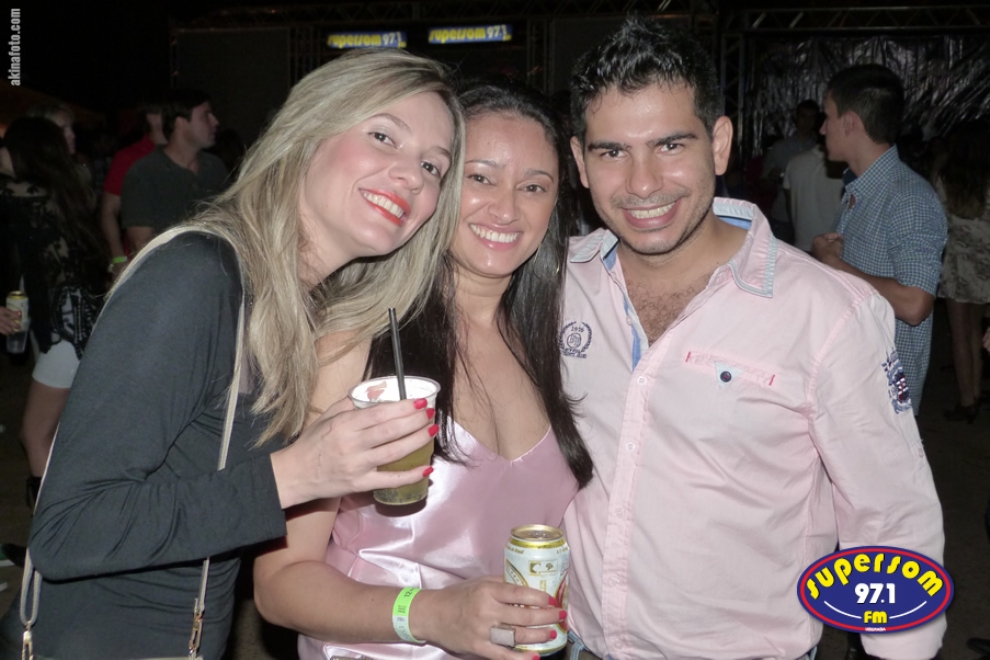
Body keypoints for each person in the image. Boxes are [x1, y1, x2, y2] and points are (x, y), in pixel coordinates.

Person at [0, 49, 464, 660]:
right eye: (384, 136)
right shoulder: (196, 277)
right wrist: (299, 473)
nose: (412, 177)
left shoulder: (297, 306)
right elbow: (66, 529)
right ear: (308, 133)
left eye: (433, 166)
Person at [561, 16, 944, 660]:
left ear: (719, 145)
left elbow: (891, 515)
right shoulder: (556, 286)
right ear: (579, 162)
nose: (642, 183)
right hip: (579, 642)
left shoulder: (828, 313)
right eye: (612, 152)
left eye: (670, 145)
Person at [253, 79, 590, 660]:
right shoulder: (353, 343)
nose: (506, 208)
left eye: (534, 187)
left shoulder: (558, 343)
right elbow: (280, 583)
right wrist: (430, 613)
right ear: (438, 187)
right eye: (480, 178)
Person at [813, 64, 947, 413]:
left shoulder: (908, 198)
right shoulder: (860, 189)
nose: (822, 128)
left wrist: (834, 265)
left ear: (850, 122)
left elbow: (914, 303)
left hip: (880, 401)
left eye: (827, 116)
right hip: (853, 382)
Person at [0, 117, 108, 511]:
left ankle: (52, 534)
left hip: (66, 330)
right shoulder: (66, 193)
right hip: (87, 321)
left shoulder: (19, 195)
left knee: (35, 434)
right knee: (67, 434)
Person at [932, 119, 990, 423]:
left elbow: (938, 220)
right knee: (975, 330)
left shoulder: (947, 178)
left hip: (956, 263)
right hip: (985, 263)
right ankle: (975, 392)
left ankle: (967, 400)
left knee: (959, 334)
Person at [120, 88, 228, 251]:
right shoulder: (144, 173)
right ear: (180, 122)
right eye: (205, 116)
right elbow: (142, 243)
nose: (215, 122)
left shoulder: (214, 167)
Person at [100, 98, 167, 277]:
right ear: (152, 117)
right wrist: (118, 259)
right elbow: (108, 211)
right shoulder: (129, 157)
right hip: (141, 262)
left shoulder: (187, 156)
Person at [760, 99, 820, 243]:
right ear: (796, 118)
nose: (806, 122)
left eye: (811, 118)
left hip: (811, 218)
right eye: (803, 117)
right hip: (783, 217)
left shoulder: (821, 149)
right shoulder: (779, 148)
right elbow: (762, 187)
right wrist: (771, 177)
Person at [782, 130, 845, 252]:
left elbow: (789, 201)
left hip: (802, 246)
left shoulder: (795, 162)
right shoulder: (844, 166)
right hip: (833, 248)